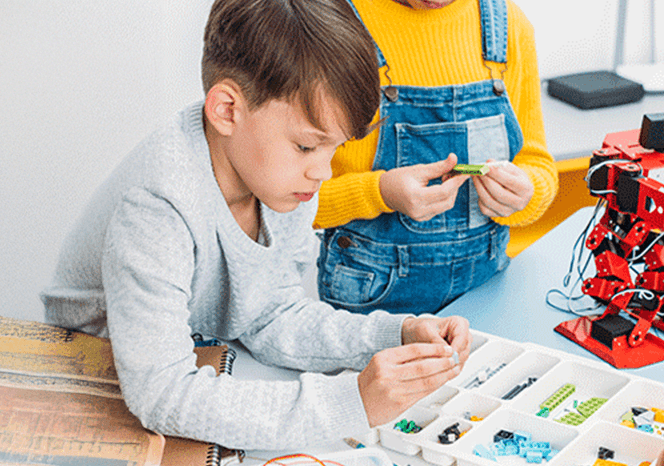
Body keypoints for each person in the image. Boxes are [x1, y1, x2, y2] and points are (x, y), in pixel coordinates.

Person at [40, 0, 471, 451]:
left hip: (196, 363)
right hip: (91, 387)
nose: (323, 172)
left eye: (335, 148)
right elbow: (161, 392)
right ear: (227, 110)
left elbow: (270, 316)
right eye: (306, 147)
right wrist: (350, 402)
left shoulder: (281, 181)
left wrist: (394, 334)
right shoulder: (158, 204)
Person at [314, 0, 559, 315]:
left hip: (484, 294)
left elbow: (537, 163)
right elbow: (278, 204)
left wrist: (526, 193)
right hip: (371, 308)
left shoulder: (506, 25)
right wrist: (379, 193)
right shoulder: (325, 24)